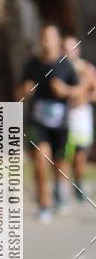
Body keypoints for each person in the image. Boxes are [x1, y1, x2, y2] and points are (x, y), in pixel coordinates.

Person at [19, 23, 83, 222]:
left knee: (59, 163)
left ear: (57, 40)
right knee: (40, 159)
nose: (46, 41)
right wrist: (25, 90)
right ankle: (44, 203)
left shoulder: (65, 65)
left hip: (61, 123)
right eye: (43, 37)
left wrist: (66, 91)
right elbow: (19, 92)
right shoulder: (33, 64)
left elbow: (79, 93)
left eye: (50, 37)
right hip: (38, 122)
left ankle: (58, 189)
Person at [62, 35, 96, 202]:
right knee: (63, 155)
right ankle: (61, 188)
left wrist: (83, 96)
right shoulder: (58, 68)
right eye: (66, 49)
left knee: (79, 156)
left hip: (81, 118)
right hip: (63, 117)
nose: (69, 52)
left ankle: (79, 183)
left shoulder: (87, 69)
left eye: (72, 48)